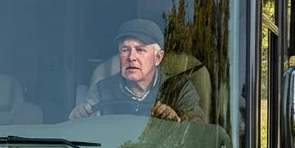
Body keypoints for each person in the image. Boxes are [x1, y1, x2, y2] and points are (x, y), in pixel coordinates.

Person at [69, 19, 204, 123]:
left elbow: (199, 131)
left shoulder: (179, 89)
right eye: (125, 50)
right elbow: (83, 132)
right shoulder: (101, 90)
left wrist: (178, 120)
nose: (131, 57)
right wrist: (77, 118)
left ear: (158, 57)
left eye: (140, 50)